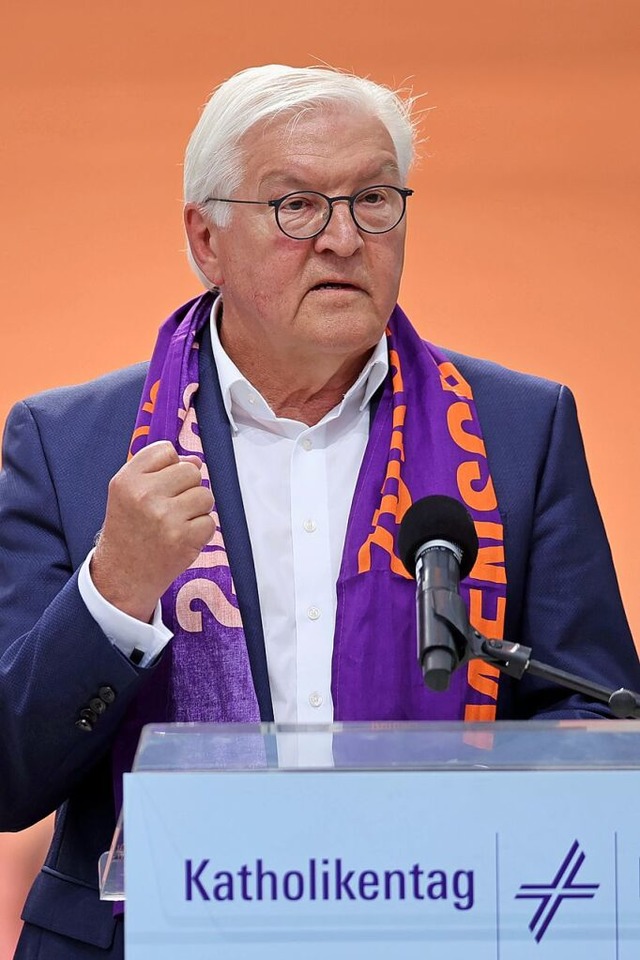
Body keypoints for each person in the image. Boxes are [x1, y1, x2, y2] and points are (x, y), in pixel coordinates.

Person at [0, 64, 638, 959]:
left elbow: (597, 720)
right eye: (296, 205)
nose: (344, 238)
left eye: (374, 199)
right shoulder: (68, 444)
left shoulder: (519, 430)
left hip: (431, 931)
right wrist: (115, 593)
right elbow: (8, 776)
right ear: (205, 238)